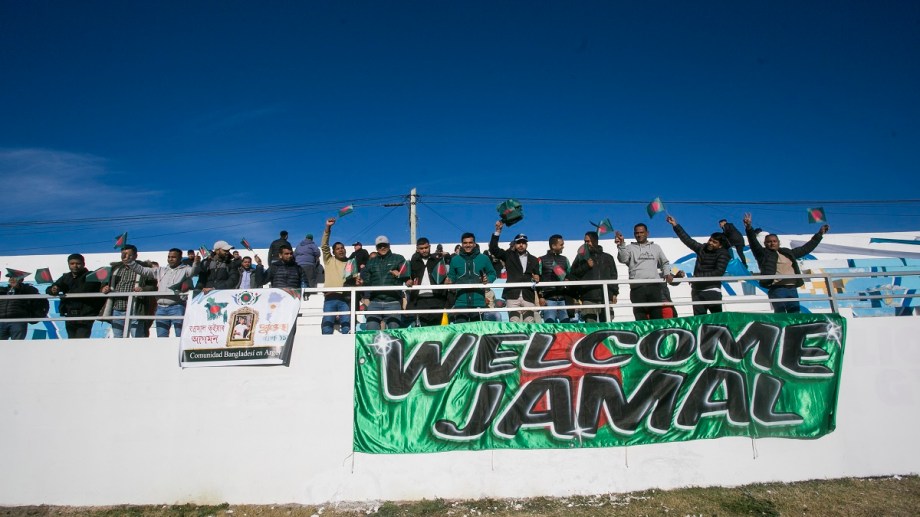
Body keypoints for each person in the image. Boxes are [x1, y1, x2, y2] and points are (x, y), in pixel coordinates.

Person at [744, 213, 830, 313]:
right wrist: (749, 227)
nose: (772, 243)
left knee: (795, 315)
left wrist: (819, 234)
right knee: (781, 314)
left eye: (774, 241)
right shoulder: (763, 254)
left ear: (778, 242)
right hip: (777, 289)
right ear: (765, 244)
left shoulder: (788, 252)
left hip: (792, 289)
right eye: (769, 242)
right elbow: (753, 243)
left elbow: (806, 249)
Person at [124, 248, 199, 337]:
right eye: (169, 257)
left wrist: (196, 263)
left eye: (173, 257)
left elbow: (194, 272)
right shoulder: (161, 270)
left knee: (181, 336)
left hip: (177, 307)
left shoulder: (186, 269)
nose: (170, 259)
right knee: (161, 338)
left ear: (180, 258)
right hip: (160, 309)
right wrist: (130, 262)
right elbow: (143, 270)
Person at [667, 215, 732, 315]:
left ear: (720, 245)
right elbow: (688, 240)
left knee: (717, 320)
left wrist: (697, 277)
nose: (710, 243)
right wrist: (675, 225)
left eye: (714, 242)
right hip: (696, 291)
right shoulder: (702, 249)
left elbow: (718, 272)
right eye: (710, 240)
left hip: (712, 290)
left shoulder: (723, 254)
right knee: (699, 320)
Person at [616, 223, 672, 321]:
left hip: (654, 287)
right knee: (640, 319)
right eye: (637, 233)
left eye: (641, 232)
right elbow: (623, 259)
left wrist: (667, 273)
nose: (639, 235)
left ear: (647, 233)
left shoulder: (656, 247)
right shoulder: (629, 247)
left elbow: (665, 262)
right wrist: (621, 245)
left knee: (657, 318)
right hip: (637, 288)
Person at [489, 222, 541, 322]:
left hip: (528, 295)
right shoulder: (509, 255)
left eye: (523, 243)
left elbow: (537, 275)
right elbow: (493, 249)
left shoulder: (534, 259)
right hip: (512, 295)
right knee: (514, 321)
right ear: (515, 244)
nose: (521, 245)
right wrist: (498, 231)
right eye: (518, 242)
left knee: (529, 322)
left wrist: (537, 277)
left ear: (526, 244)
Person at [101, 245, 157, 338]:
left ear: (136, 256)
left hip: (136, 308)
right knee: (118, 338)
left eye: (129, 255)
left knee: (137, 338)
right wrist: (104, 288)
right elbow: (105, 283)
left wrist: (143, 289)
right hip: (117, 308)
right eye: (123, 255)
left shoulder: (144, 268)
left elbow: (153, 286)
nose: (126, 257)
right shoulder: (115, 269)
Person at [358, 235, 410, 330]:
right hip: (375, 301)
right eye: (379, 246)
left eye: (384, 245)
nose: (382, 248)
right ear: (376, 248)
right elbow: (367, 279)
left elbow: (406, 276)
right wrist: (362, 282)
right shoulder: (371, 262)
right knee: (371, 329)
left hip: (393, 301)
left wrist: (400, 275)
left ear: (389, 245)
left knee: (394, 330)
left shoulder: (398, 258)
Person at [47, 254, 104, 339]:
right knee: (71, 341)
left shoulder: (91, 276)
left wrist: (64, 290)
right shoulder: (66, 277)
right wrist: (54, 289)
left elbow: (84, 290)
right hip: (69, 314)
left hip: (85, 315)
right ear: (68, 264)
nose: (75, 266)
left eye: (78, 263)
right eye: (72, 263)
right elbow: (51, 288)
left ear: (83, 264)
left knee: (81, 341)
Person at [446, 232, 496, 323]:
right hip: (460, 301)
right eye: (465, 243)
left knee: (477, 330)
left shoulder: (484, 258)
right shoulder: (455, 260)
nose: (468, 245)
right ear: (462, 244)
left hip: (478, 301)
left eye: (470, 242)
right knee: (461, 329)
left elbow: (492, 273)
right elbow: (451, 276)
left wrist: (487, 279)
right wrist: (449, 280)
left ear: (474, 244)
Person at [570, 231, 618, 323]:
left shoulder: (608, 257)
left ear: (595, 241)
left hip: (606, 296)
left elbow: (613, 275)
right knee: (590, 326)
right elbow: (572, 274)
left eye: (588, 241)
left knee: (607, 325)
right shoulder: (581, 257)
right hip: (588, 297)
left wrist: (615, 293)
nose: (586, 244)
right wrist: (586, 266)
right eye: (585, 241)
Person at [320, 217, 354, 334]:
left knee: (346, 327)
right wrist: (328, 228)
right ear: (333, 252)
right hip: (330, 298)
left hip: (345, 299)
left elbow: (354, 280)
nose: (341, 250)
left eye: (342, 248)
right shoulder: (329, 260)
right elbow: (324, 246)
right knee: (327, 326)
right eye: (338, 249)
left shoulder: (350, 263)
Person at [407, 237, 450, 327]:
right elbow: (408, 277)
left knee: (437, 327)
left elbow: (443, 277)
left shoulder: (438, 261)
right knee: (423, 327)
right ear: (417, 249)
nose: (424, 250)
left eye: (426, 248)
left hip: (436, 298)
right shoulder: (413, 263)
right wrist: (408, 280)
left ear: (430, 247)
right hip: (420, 299)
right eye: (421, 248)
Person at [0, 270, 46, 340]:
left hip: (18, 321)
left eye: (15, 278)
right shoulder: (3, 290)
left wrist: (34, 318)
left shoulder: (27, 290)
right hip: (1, 321)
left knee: (17, 344)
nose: (12, 279)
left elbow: (41, 302)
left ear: (21, 280)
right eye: (10, 278)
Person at [538, 234, 571, 323]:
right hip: (548, 299)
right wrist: (541, 297)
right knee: (550, 325)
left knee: (566, 326)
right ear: (553, 246)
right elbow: (537, 279)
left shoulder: (565, 259)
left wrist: (567, 279)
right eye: (561, 245)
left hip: (563, 299)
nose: (563, 247)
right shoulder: (541, 260)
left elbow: (570, 275)